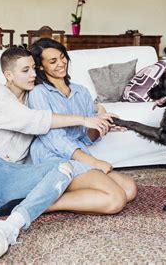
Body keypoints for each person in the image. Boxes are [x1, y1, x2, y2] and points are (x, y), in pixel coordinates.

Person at [0, 47, 118, 260]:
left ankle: (10, 227)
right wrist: (83, 120)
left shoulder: (33, 97)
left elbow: (62, 108)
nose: (33, 75)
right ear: (9, 75)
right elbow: (32, 120)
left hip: (6, 183)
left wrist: (98, 110)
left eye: (34, 69)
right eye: (25, 70)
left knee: (64, 167)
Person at [28, 38, 137, 205]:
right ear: (41, 66)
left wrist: (102, 124)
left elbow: (87, 138)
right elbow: (53, 138)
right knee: (116, 199)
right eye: (53, 61)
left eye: (62, 56)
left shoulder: (81, 92)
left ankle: (48, 197)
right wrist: (93, 162)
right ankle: (39, 204)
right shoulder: (39, 93)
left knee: (129, 189)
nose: (61, 63)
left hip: (79, 155)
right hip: (51, 156)